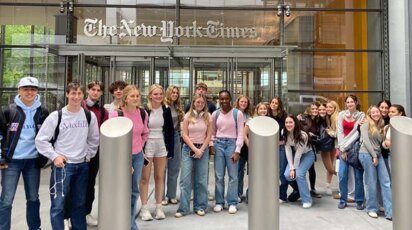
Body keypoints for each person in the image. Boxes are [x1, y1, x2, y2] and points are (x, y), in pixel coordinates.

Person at [35, 82, 99, 230]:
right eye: (73, 93)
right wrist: (54, 156)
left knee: (79, 204)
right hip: (62, 167)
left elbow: (94, 139)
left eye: (79, 94)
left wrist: (88, 155)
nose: (76, 97)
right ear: (67, 94)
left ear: (83, 95)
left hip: (82, 166)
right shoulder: (56, 116)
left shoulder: (89, 116)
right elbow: (41, 140)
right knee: (58, 205)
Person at [0, 76, 49, 230]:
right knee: (6, 200)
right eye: (26, 89)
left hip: (33, 161)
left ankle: (35, 227)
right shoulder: (8, 110)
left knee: (33, 198)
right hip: (11, 162)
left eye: (33, 89)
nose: (29, 92)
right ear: (19, 90)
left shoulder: (43, 111)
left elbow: (48, 135)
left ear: (37, 92)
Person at [109, 85, 149, 230]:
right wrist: (124, 159)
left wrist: (139, 145)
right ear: (125, 98)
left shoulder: (143, 113)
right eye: (132, 96)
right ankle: (117, 222)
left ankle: (130, 224)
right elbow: (112, 138)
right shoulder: (116, 114)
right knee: (120, 191)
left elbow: (145, 133)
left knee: (133, 191)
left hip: (137, 156)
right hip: (121, 157)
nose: (136, 98)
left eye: (137, 96)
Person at [140, 84, 174, 221]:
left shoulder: (166, 109)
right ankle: (144, 208)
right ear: (150, 95)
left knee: (160, 176)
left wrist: (170, 150)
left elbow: (170, 131)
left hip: (161, 145)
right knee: (145, 178)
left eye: (160, 94)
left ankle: (159, 207)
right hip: (147, 144)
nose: (158, 96)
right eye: (155, 94)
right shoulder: (144, 110)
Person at [175, 94, 212, 217]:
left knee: (201, 180)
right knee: (185, 180)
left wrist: (200, 149)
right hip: (188, 149)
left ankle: (200, 206)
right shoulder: (187, 116)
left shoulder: (208, 117)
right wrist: (194, 149)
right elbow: (184, 134)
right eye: (198, 102)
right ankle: (183, 209)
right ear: (193, 103)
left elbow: (209, 135)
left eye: (202, 102)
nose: (200, 104)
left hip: (203, 150)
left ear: (205, 104)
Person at [210, 90, 244, 214]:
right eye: (221, 99)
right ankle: (219, 202)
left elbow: (240, 133)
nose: (224, 101)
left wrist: (237, 150)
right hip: (218, 144)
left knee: (233, 176)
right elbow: (212, 132)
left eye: (226, 98)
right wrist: (211, 144)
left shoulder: (237, 113)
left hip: (231, 145)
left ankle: (232, 202)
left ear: (230, 99)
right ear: (219, 100)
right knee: (219, 176)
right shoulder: (215, 114)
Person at [358, 106, 392, 220]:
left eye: (377, 112)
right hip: (366, 154)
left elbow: (381, 144)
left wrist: (386, 144)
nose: (376, 114)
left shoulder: (382, 125)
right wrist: (374, 156)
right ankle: (371, 208)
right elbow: (366, 142)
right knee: (371, 182)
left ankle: (390, 211)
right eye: (373, 112)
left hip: (378, 154)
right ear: (369, 114)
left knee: (386, 181)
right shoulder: (365, 123)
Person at [82, 80, 108, 227]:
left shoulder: (102, 111)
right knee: (74, 185)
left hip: (94, 152)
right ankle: (69, 216)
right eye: (93, 89)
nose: (95, 92)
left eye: (98, 90)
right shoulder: (80, 106)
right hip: (77, 151)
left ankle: (86, 213)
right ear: (88, 90)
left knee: (90, 184)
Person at [337, 94, 365, 210]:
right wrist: (342, 149)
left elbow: (356, 133)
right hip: (343, 149)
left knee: (358, 176)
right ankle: (343, 199)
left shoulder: (361, 115)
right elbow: (339, 132)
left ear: (356, 102)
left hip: (355, 149)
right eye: (347, 102)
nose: (349, 104)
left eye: (351, 102)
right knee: (342, 175)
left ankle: (359, 200)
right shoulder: (341, 115)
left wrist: (345, 147)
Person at [283, 115, 316, 209]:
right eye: (286, 122)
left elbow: (298, 154)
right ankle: (299, 190)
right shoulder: (284, 132)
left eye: (290, 122)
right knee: (287, 175)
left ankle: (307, 200)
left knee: (299, 174)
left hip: (307, 155)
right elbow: (288, 150)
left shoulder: (303, 135)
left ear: (295, 123)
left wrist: (294, 168)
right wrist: (291, 168)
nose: (288, 124)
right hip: (296, 155)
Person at [162, 86, 184, 206]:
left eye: (177, 93)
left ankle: (171, 195)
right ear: (168, 93)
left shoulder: (177, 106)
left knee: (174, 168)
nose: (175, 94)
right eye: (173, 92)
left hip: (176, 137)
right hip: (164, 138)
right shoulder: (163, 106)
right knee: (163, 169)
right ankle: (160, 196)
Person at [268, 97, 291, 203]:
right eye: (272, 102)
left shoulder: (284, 116)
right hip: (269, 147)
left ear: (279, 105)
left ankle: (282, 195)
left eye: (276, 103)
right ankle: (272, 194)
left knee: (282, 172)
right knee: (271, 172)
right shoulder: (267, 116)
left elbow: (289, 130)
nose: (273, 104)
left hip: (281, 146)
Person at [298, 102, 321, 198]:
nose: (315, 110)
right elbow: (299, 129)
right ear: (309, 110)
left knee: (311, 169)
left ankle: (312, 189)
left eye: (316, 109)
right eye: (313, 109)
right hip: (301, 147)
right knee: (299, 169)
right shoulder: (303, 118)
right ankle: (299, 189)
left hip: (311, 147)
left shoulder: (317, 120)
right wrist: (308, 133)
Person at [234, 95, 252, 202]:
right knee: (239, 171)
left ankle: (251, 192)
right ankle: (238, 193)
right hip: (238, 145)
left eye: (245, 102)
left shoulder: (249, 116)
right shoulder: (234, 113)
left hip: (248, 146)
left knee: (251, 171)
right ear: (238, 102)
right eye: (242, 102)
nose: (243, 104)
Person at [316, 103, 337, 196]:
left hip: (331, 143)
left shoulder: (331, 118)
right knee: (329, 167)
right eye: (320, 110)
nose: (322, 111)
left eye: (324, 109)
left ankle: (328, 186)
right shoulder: (316, 119)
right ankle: (343, 176)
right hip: (323, 145)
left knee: (331, 164)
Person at [382, 104, 406, 175]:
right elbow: (384, 144)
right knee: (394, 178)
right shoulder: (387, 127)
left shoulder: (408, 126)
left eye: (393, 112)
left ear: (400, 113)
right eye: (389, 112)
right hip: (391, 155)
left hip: (405, 156)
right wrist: (386, 143)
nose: (390, 114)